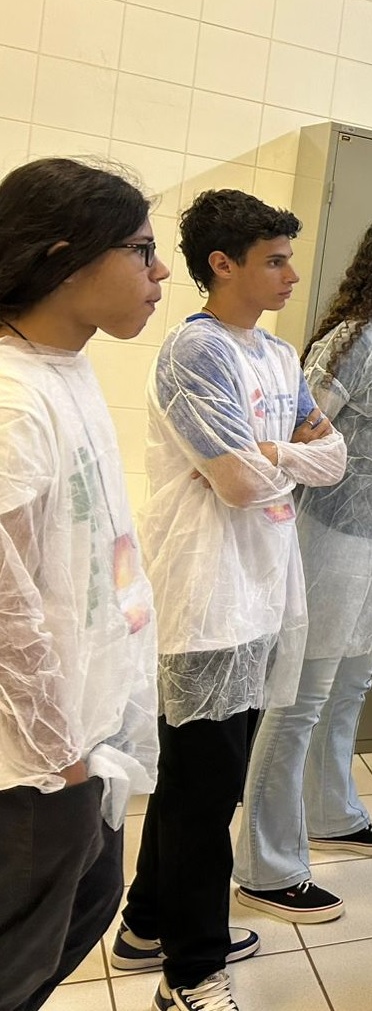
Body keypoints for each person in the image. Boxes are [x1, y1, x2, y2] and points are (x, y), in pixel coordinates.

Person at [117, 190, 347, 1011]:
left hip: (261, 586)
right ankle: (192, 971)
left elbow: (334, 457)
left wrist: (266, 452)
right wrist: (280, 456)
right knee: (202, 793)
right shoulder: (196, 352)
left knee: (201, 782)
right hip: (207, 592)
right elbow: (239, 482)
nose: (291, 275)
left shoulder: (278, 356)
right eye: (274, 260)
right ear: (222, 264)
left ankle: (147, 925)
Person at [233, 212, 372, 923]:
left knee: (352, 684)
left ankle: (332, 812)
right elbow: (294, 441)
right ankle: (265, 865)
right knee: (300, 699)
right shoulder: (351, 342)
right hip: (334, 539)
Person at [0, 159, 166, 1011]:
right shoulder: (13, 398)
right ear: (64, 259)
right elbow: (3, 610)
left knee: (90, 902)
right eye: (140, 250)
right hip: (30, 761)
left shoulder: (62, 369)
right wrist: (56, 753)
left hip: (81, 730)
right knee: (20, 951)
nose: (160, 272)